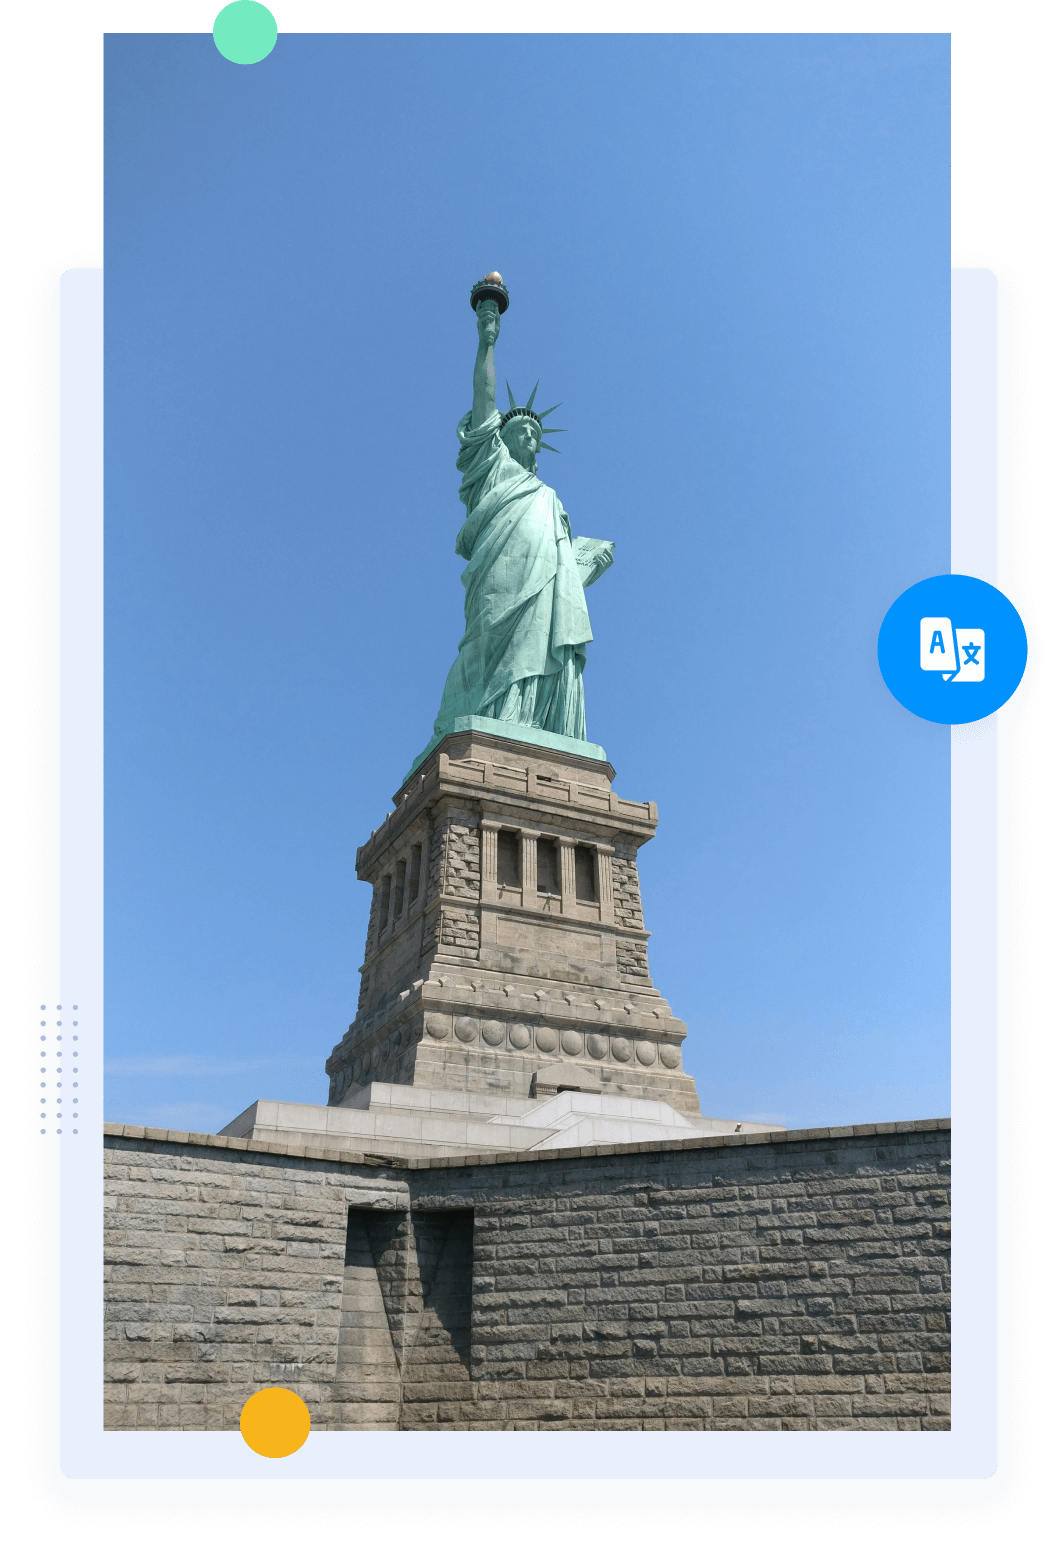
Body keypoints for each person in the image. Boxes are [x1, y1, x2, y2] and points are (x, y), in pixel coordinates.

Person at [430, 295, 614, 746]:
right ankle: (488, 716)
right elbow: (484, 397)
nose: (529, 435)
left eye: (535, 432)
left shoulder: (550, 497)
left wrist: (580, 564)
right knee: (486, 642)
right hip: (499, 577)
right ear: (500, 438)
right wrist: (486, 342)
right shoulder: (490, 468)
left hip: (546, 586)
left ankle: (533, 724)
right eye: (519, 430)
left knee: (541, 640)